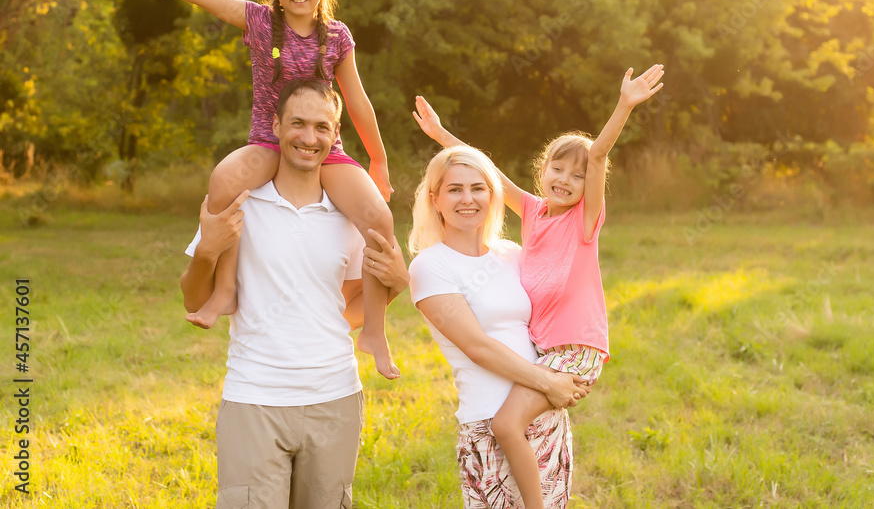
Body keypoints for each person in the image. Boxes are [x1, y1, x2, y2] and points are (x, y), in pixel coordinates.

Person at [95, 0, 399, 379]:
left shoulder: (336, 36)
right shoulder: (259, 23)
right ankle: (224, 291)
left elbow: (357, 101)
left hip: (324, 148)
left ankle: (374, 329)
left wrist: (379, 160)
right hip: (268, 143)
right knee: (224, 181)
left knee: (380, 218)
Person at [412, 64, 665, 509]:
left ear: (592, 186)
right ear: (542, 169)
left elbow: (601, 154)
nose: (566, 181)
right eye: (558, 169)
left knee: (507, 426)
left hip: (575, 347)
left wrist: (624, 105)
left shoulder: (584, 222)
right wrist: (441, 136)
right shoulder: (533, 213)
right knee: (508, 428)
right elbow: (488, 172)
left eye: (579, 175)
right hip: (548, 351)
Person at [180, 79, 401, 508]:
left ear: (335, 135)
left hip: (335, 398)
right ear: (276, 126)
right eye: (298, 123)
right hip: (254, 398)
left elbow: (347, 311)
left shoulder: (349, 217)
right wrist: (207, 250)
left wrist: (398, 285)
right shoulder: (241, 202)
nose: (309, 137)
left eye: (322, 127)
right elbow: (192, 299)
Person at [381, 145, 591, 508]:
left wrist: (573, 364)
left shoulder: (511, 253)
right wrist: (549, 381)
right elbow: (476, 346)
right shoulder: (432, 266)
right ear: (435, 199)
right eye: (454, 189)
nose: (468, 199)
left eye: (478, 188)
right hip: (489, 422)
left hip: (543, 416)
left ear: (492, 194)